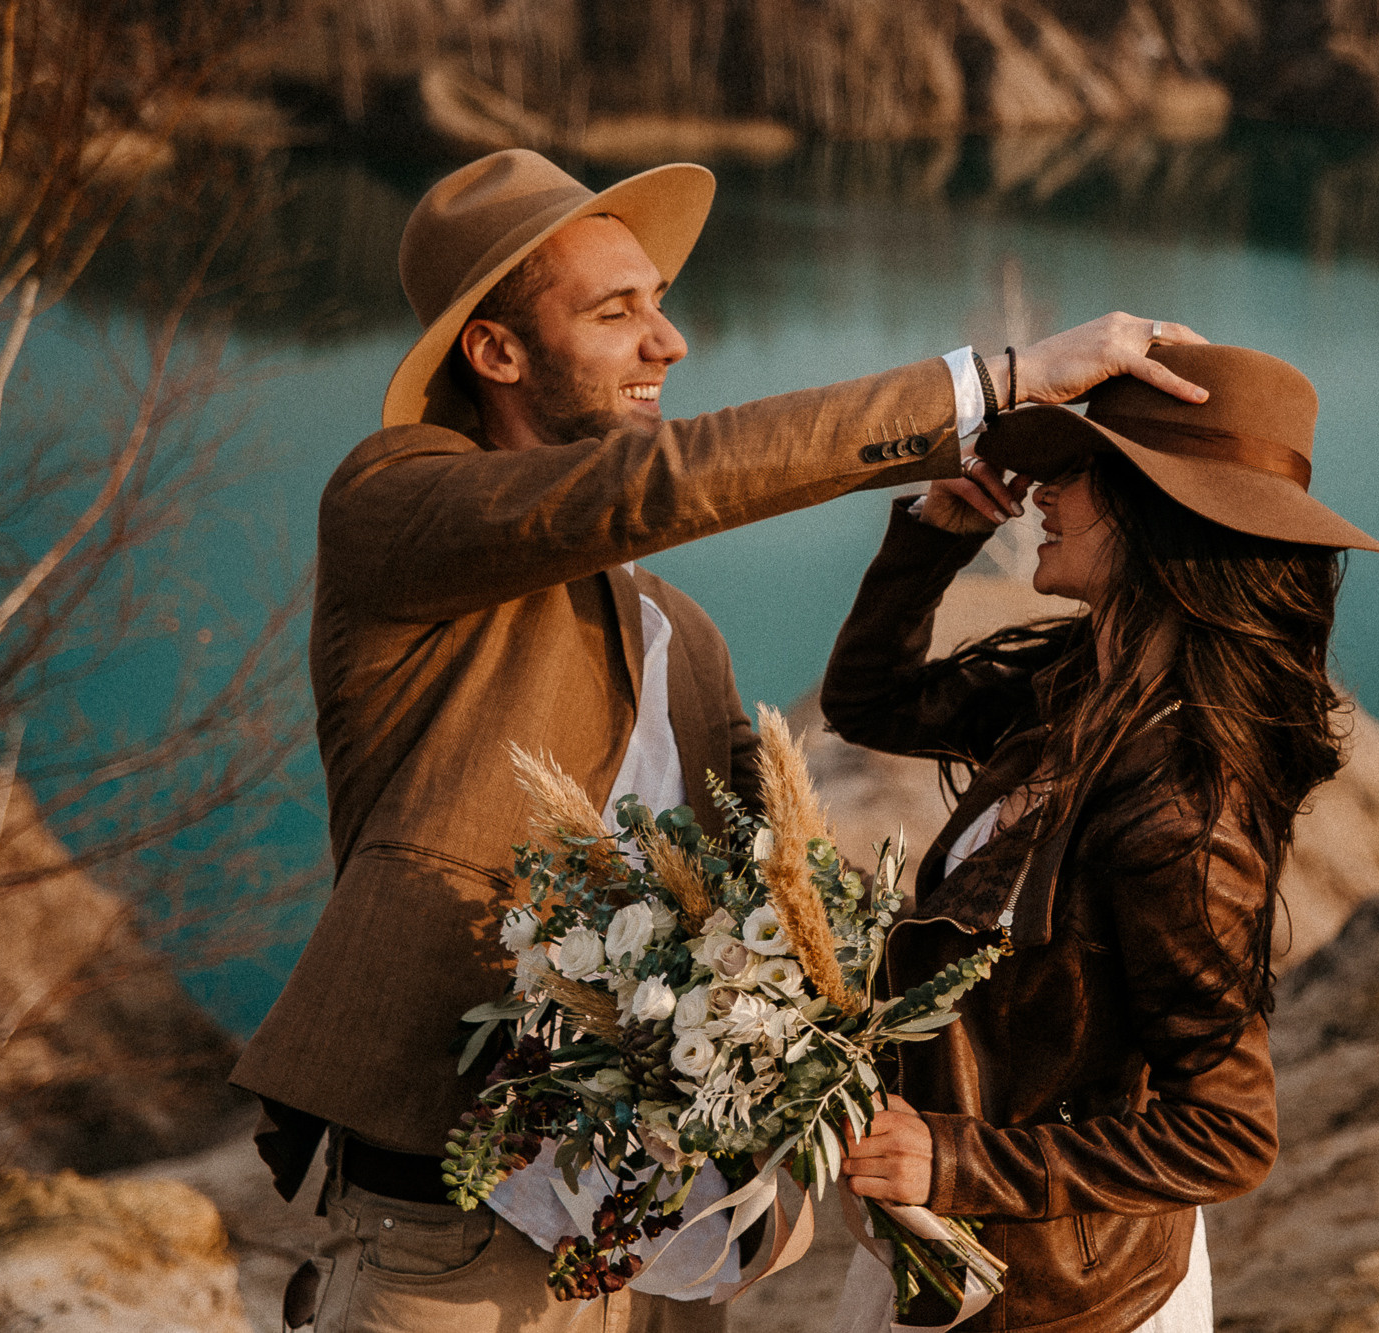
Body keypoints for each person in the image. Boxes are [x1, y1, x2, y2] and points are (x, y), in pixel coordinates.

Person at [227, 147, 1212, 1333]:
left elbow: (770, 891)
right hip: (450, 1227)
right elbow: (658, 484)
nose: (669, 340)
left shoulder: (679, 633)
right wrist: (990, 384)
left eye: (659, 301)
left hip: (657, 1235)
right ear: (494, 353)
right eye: (616, 310)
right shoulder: (393, 507)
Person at [821, 344, 1379, 1331]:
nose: (1042, 489)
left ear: (1156, 511)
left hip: (1070, 1293)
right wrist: (933, 534)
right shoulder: (1073, 693)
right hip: (965, 1244)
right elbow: (868, 700)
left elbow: (1226, 1133)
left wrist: (955, 1158)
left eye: (1078, 469)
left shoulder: (1178, 809)